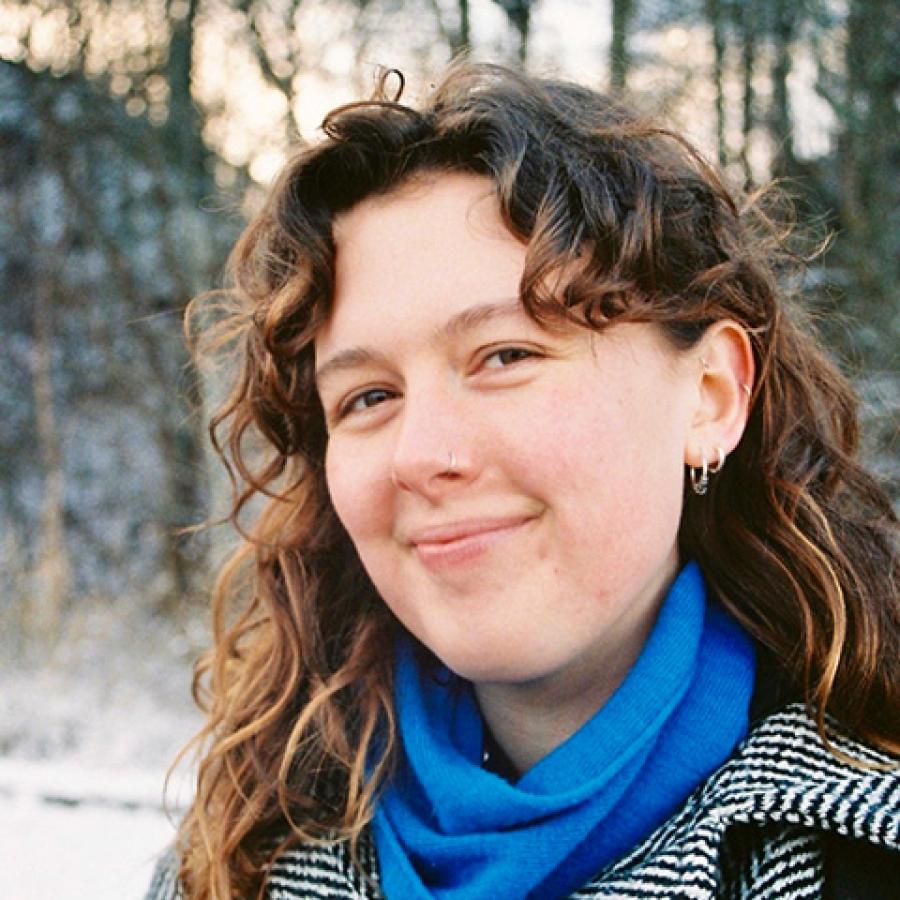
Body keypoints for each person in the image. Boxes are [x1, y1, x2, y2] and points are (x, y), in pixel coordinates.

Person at [146, 62, 899, 900]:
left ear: (711, 396)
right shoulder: (233, 858)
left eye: (506, 354)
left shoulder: (860, 853)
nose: (421, 453)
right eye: (368, 396)